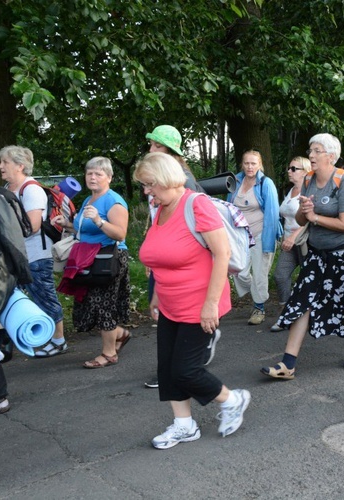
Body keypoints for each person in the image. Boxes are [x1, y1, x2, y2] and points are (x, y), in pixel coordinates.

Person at [135, 152, 250, 449]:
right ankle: (184, 425)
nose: (147, 191)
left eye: (150, 184)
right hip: (171, 303)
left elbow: (221, 254)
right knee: (167, 368)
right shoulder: (162, 208)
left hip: (200, 304)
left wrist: (211, 304)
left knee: (185, 370)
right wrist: (158, 296)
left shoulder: (196, 204)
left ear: (165, 179)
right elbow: (161, 256)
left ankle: (233, 400)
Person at [261, 133, 344, 380]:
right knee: (302, 300)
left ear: (331, 156)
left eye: (317, 150)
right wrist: (305, 211)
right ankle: (288, 364)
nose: (311, 154)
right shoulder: (309, 179)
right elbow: (301, 219)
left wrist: (315, 218)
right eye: (310, 149)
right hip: (317, 254)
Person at [144, 125, 207, 389]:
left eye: (157, 146)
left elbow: (201, 232)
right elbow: (156, 219)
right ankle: (172, 369)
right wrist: (152, 256)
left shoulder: (184, 181)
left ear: (170, 151)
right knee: (160, 310)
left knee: (180, 321)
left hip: (184, 267)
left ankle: (184, 366)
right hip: (164, 260)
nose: (151, 149)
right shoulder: (156, 178)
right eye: (152, 144)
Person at [0, 146, 67, 358]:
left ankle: (59, 341)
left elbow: (32, 226)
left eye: (5, 162)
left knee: (44, 297)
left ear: (20, 166)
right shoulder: (8, 188)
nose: (0, 166)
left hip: (35, 257)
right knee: (4, 298)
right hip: (15, 257)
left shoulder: (30, 189)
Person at [53, 157, 130, 368]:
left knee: (103, 305)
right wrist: (67, 224)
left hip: (109, 259)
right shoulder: (88, 200)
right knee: (91, 304)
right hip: (89, 259)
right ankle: (120, 334)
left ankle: (109, 353)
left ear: (109, 177)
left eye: (99, 174)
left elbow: (120, 233)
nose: (93, 177)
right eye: (89, 173)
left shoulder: (113, 201)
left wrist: (99, 220)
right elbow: (83, 229)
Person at [228, 150, 280, 325]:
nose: (250, 167)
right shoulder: (235, 181)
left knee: (259, 274)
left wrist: (268, 243)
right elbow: (228, 208)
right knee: (239, 271)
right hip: (239, 236)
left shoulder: (266, 183)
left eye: (253, 164)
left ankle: (259, 308)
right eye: (247, 163)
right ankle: (257, 291)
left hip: (260, 234)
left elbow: (272, 214)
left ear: (260, 165)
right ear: (242, 164)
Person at [272, 156, 311, 313]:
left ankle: (309, 313)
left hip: (305, 242)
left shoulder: (309, 191)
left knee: (308, 279)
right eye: (289, 168)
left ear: (305, 172)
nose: (289, 171)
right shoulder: (291, 191)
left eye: (294, 169)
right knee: (280, 275)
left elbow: (310, 220)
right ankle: (286, 310)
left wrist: (292, 237)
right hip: (288, 242)